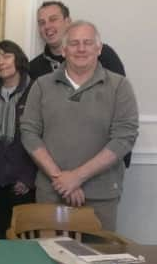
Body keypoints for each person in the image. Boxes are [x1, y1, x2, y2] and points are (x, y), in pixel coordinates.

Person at [20, 21, 139, 231]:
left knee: (98, 261)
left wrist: (77, 177)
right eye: (74, 43)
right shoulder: (41, 85)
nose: (81, 49)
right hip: (51, 194)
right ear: (64, 50)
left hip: (100, 197)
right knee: (49, 260)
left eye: (87, 43)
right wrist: (61, 178)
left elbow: (124, 138)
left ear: (99, 48)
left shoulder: (119, 86)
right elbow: (29, 133)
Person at [0, 40, 36, 239]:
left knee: (25, 239)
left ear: (18, 59)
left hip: (24, 182)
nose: (1, 62)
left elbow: (42, 138)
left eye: (6, 56)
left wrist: (28, 177)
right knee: (2, 236)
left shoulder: (35, 93)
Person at [30, 1, 125, 80]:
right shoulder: (33, 68)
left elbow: (119, 94)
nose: (47, 26)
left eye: (53, 19)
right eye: (42, 23)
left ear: (68, 22)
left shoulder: (102, 54)